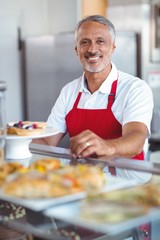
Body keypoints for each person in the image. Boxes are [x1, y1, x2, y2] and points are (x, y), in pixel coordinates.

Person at [33, 15, 153, 182]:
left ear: (113, 47)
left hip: (127, 186)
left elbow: (136, 139)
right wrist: (12, 140)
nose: (92, 49)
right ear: (76, 50)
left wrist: (107, 146)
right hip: (83, 183)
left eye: (100, 41)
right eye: (85, 42)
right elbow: (47, 141)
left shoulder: (135, 88)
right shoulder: (69, 91)